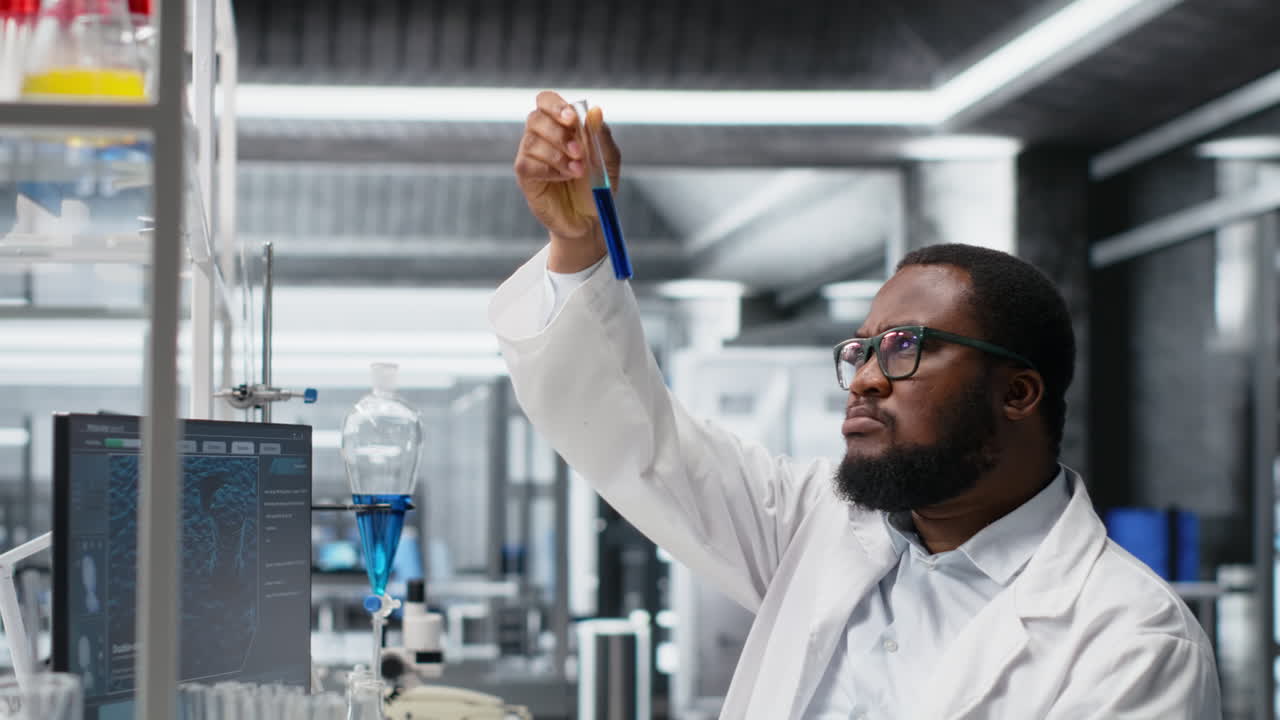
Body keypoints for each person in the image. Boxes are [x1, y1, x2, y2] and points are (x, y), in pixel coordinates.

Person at [489, 91, 1222, 719]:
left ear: (1018, 392)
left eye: (905, 347)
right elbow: (635, 441)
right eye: (859, 351)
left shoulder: (1132, 641)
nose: (867, 379)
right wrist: (579, 245)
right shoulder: (819, 528)